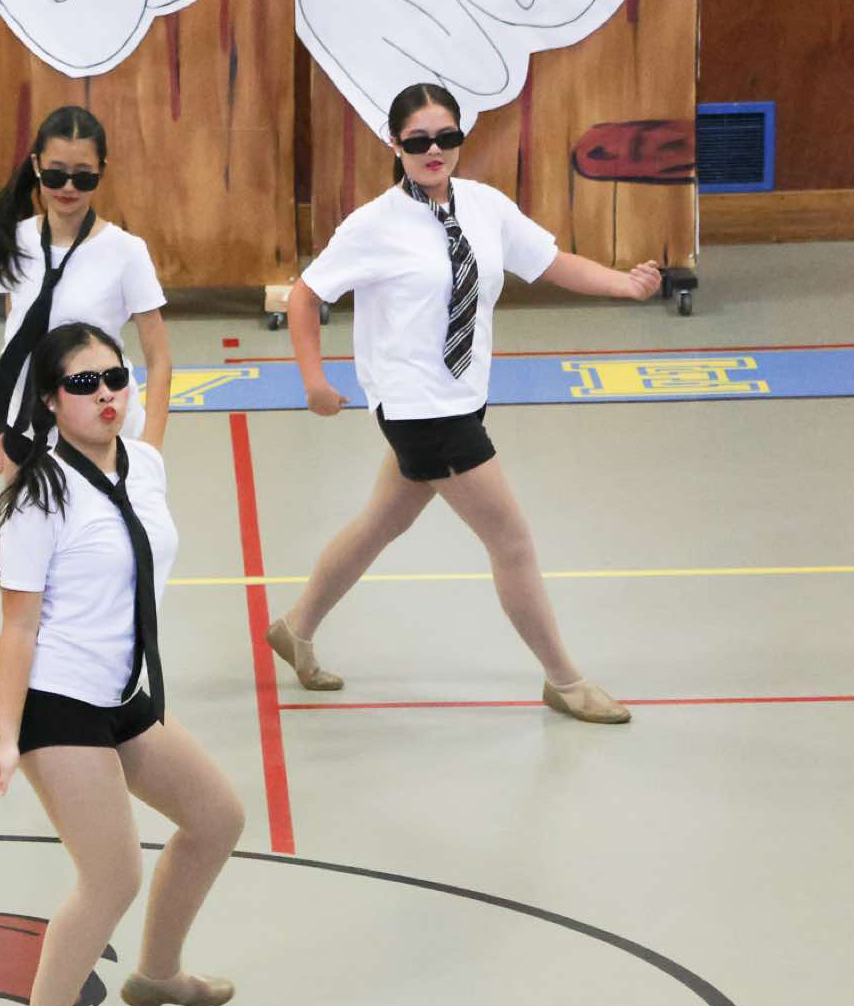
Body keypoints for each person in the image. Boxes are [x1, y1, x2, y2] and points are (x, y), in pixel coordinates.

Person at [270, 82, 662, 725]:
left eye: (447, 137)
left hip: (463, 396)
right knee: (512, 540)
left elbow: (550, 261)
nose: (434, 151)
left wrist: (624, 285)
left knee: (380, 523)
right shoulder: (372, 225)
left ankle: (295, 627)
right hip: (419, 411)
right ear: (394, 144)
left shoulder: (484, 206)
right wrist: (313, 379)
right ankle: (564, 680)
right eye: (418, 141)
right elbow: (306, 296)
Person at [0, 323, 245, 1006]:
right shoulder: (38, 497)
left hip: (124, 690)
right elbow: (18, 627)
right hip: (61, 702)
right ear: (51, 402)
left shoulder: (145, 464)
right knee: (112, 875)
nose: (106, 395)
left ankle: (158, 972)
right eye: (84, 384)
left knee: (216, 818)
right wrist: (9, 738)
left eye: (115, 378)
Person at [0, 104, 173, 735]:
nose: (67, 188)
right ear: (36, 166)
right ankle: (19, 695)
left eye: (83, 177)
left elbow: (159, 359)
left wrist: (149, 450)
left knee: (101, 565)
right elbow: (15, 343)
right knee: (29, 570)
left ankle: (107, 683)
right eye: (56, 173)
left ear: (101, 174)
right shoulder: (15, 242)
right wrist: (0, 432)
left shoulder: (125, 252)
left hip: (101, 436)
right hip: (33, 431)